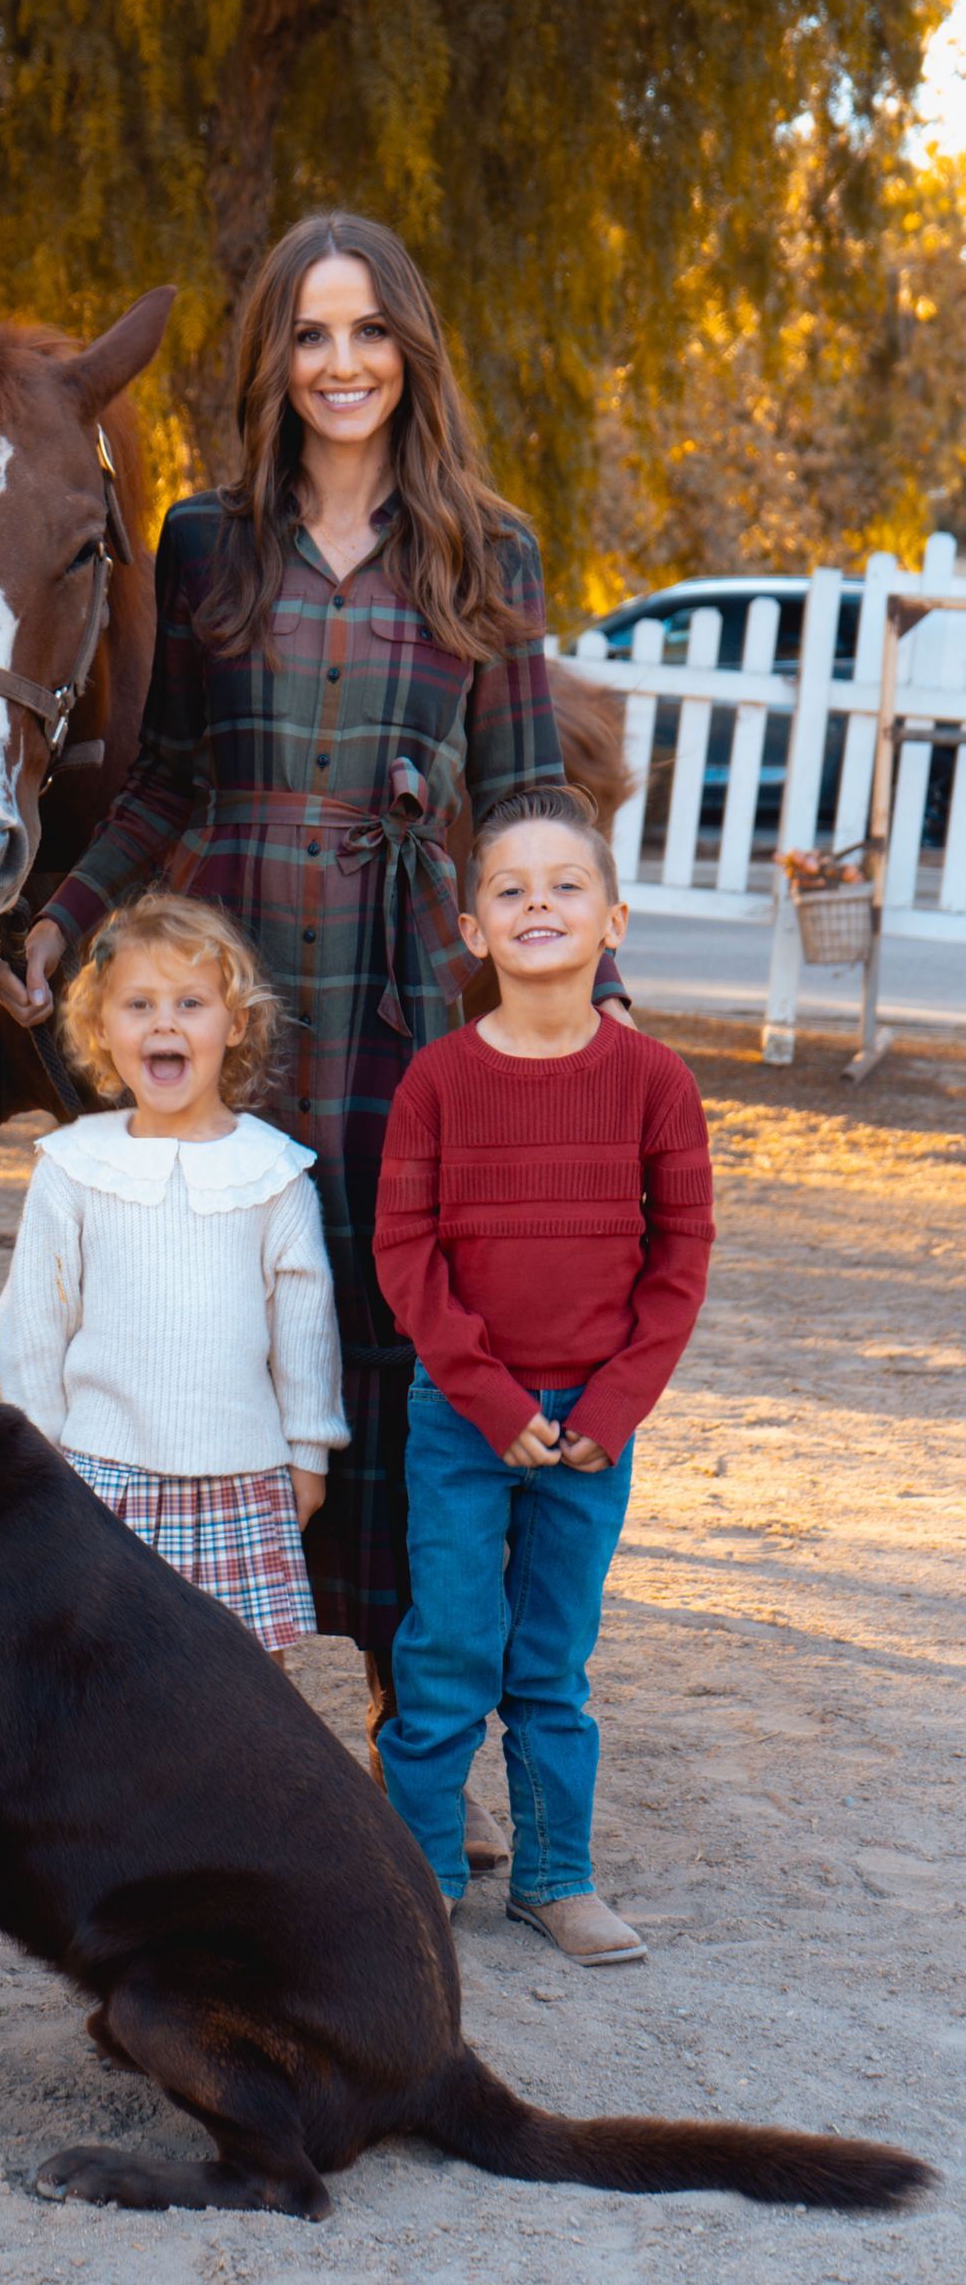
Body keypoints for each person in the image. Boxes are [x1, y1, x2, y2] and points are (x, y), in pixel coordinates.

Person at [0, 212, 629, 1867]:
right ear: (272, 360)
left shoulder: (490, 547)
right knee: (225, 1331)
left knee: (405, 1333)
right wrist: (66, 915)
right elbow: (170, 784)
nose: (341, 365)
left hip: (409, 1002)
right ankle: (213, 1702)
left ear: (410, 349)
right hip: (243, 995)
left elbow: (527, 791)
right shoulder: (204, 546)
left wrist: (582, 995)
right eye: (310, 336)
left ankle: (413, 1734)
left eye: (369, 333)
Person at [373, 786, 713, 1963]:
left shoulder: (655, 1081)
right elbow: (404, 1253)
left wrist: (611, 1407)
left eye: (566, 886)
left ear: (612, 920)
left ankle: (555, 1876)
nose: (538, 905)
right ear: (473, 931)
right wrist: (491, 1399)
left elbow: (681, 1255)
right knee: (450, 1645)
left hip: (594, 1430)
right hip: (466, 1418)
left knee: (553, 1659)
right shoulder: (437, 1081)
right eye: (509, 888)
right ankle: (416, 1871)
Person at [0, 893, 344, 1652]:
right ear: (99, 1028)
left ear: (236, 1024)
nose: (165, 1023)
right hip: (99, 1480)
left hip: (243, 1481)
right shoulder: (75, 1166)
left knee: (241, 1688)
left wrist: (307, 1454)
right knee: (99, 1676)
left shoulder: (274, 1172)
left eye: (191, 1003)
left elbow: (304, 1325)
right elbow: (33, 1324)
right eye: (139, 1004)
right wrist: (41, 1455)